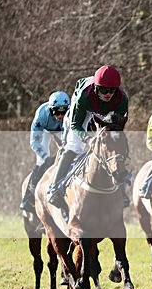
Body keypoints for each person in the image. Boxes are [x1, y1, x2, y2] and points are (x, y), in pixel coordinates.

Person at [46, 64, 130, 211]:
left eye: (111, 90)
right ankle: (55, 187)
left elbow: (117, 128)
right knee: (74, 146)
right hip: (85, 110)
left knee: (115, 146)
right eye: (104, 90)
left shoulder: (122, 99)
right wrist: (89, 139)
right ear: (97, 88)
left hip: (106, 114)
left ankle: (121, 191)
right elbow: (75, 125)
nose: (108, 94)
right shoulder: (84, 95)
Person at [19, 91, 70, 211]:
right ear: (50, 109)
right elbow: (34, 142)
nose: (60, 115)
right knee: (42, 161)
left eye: (64, 112)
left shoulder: (72, 113)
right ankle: (28, 198)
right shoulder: (42, 115)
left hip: (63, 130)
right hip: (45, 131)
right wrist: (47, 158)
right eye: (56, 112)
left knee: (70, 155)